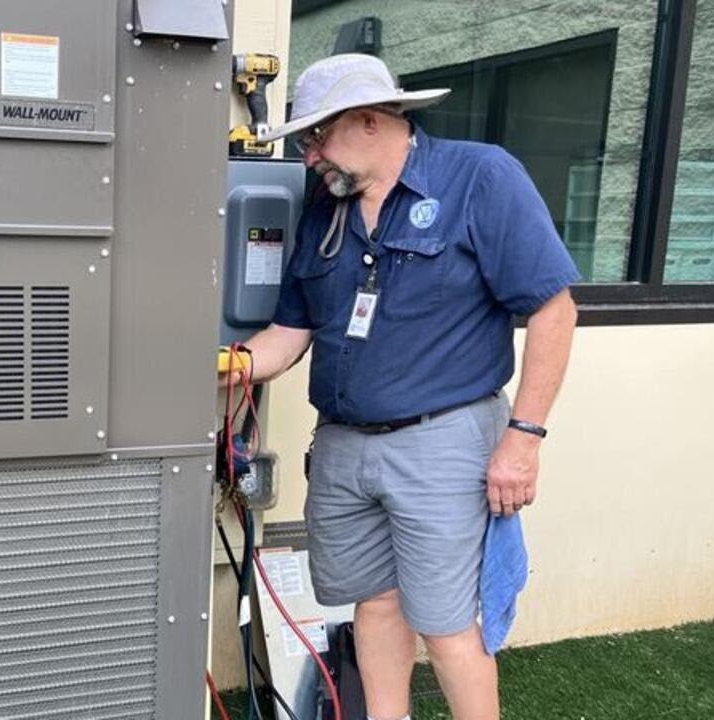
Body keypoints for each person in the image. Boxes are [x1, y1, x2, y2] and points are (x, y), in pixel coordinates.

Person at [236, 54, 579, 720]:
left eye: (317, 136)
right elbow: (289, 332)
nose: (309, 156)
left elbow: (553, 310)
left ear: (369, 119)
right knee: (374, 602)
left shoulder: (479, 177)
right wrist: (224, 366)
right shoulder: (326, 206)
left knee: (446, 624)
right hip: (343, 446)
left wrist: (524, 438)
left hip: (442, 442)